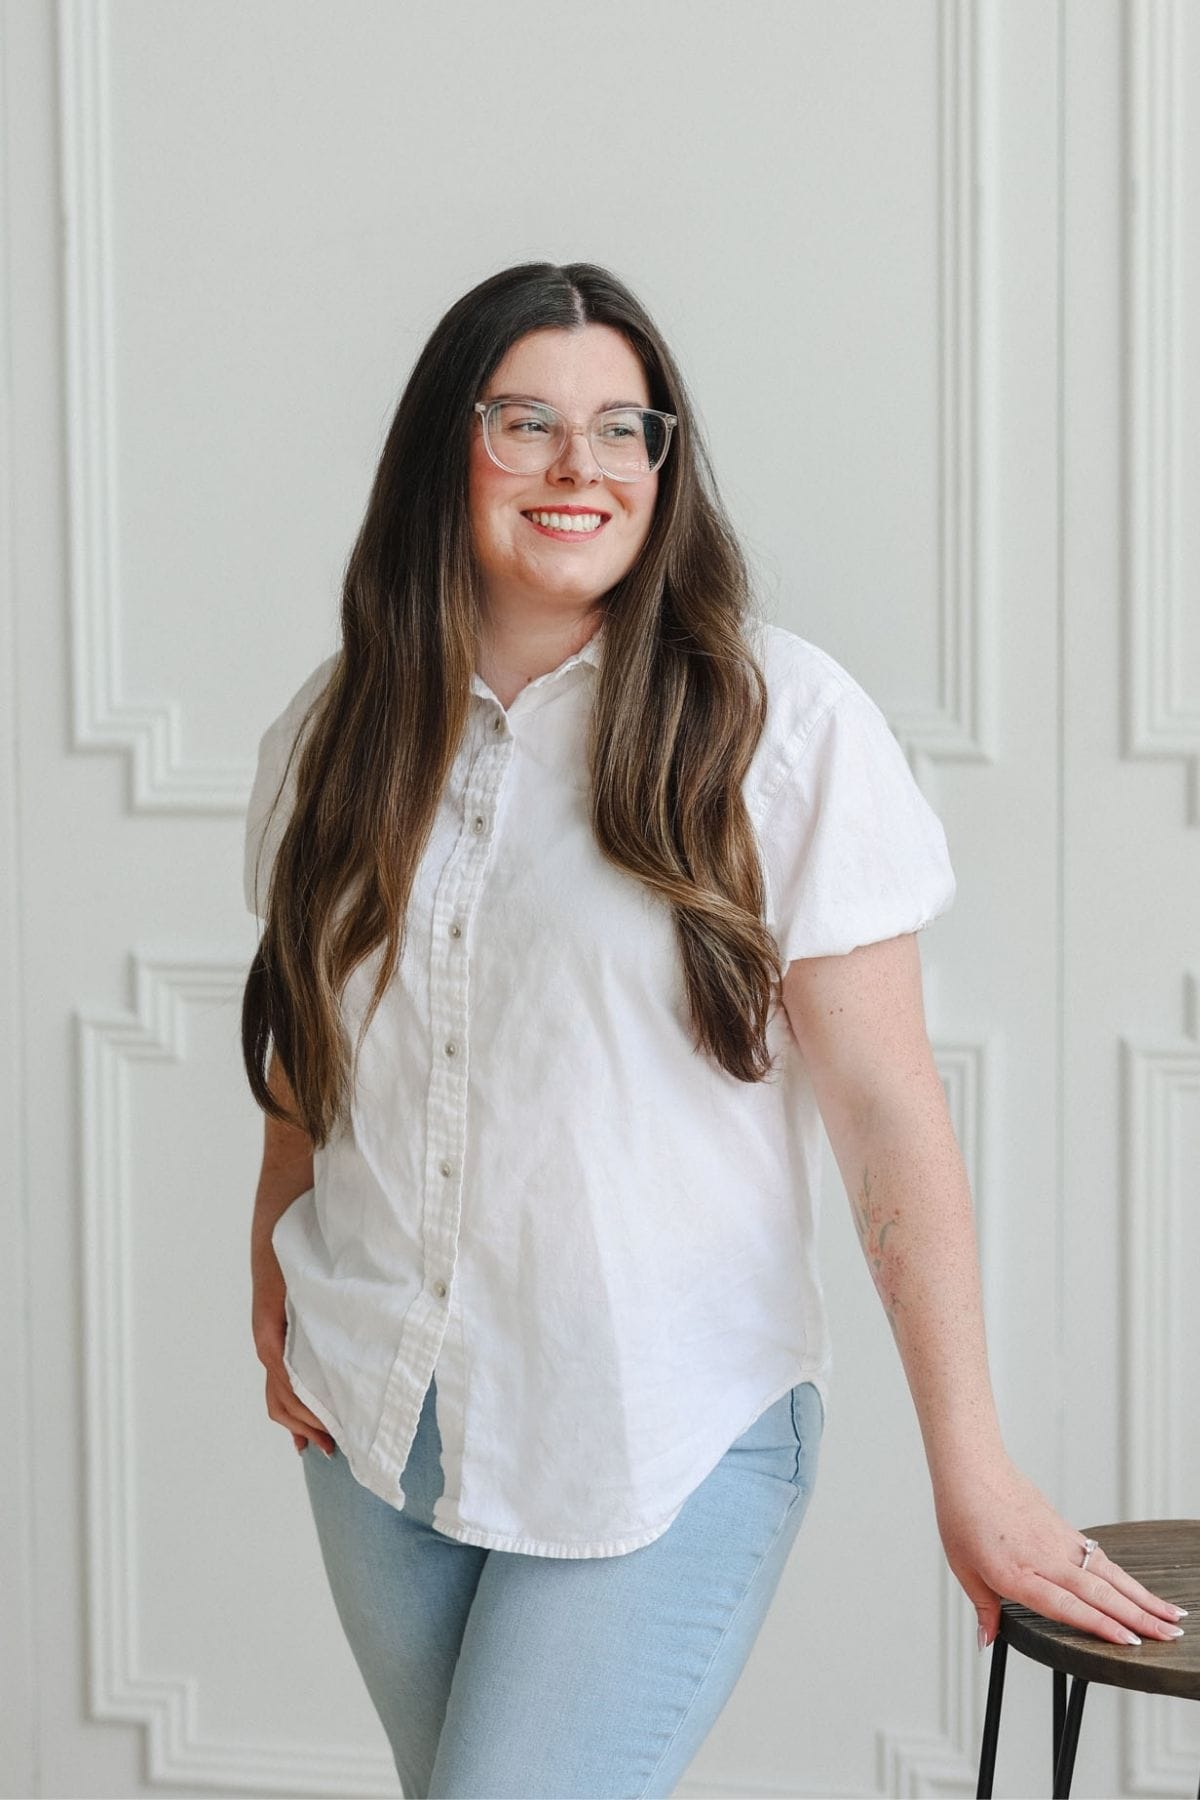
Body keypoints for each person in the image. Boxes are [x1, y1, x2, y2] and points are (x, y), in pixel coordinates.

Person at [242, 261, 1185, 1799]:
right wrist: (270, 1257)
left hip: (654, 1437)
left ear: (665, 467)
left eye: (626, 429)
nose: (581, 468)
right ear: (443, 449)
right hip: (374, 1431)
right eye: (528, 421)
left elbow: (886, 1113)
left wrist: (976, 1469)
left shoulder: (779, 725)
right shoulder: (336, 727)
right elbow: (310, 1026)